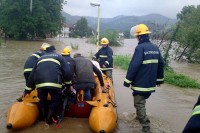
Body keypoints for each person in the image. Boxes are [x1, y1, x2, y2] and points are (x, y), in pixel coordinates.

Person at [123, 24, 164, 133]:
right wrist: (159, 80)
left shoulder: (140, 48)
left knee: (138, 104)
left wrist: (127, 81)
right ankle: (139, 117)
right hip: (150, 85)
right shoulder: (155, 47)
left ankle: (146, 126)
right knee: (141, 103)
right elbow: (161, 63)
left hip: (140, 84)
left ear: (140, 36)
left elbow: (134, 65)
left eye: (137, 36)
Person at [24, 45, 72, 124]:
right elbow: (66, 71)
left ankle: (43, 118)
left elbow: (32, 75)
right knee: (55, 100)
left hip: (40, 84)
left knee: (42, 100)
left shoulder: (40, 58)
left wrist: (27, 89)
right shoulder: (59, 57)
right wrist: (68, 84)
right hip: (55, 84)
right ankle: (49, 120)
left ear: (46, 51)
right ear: (54, 51)